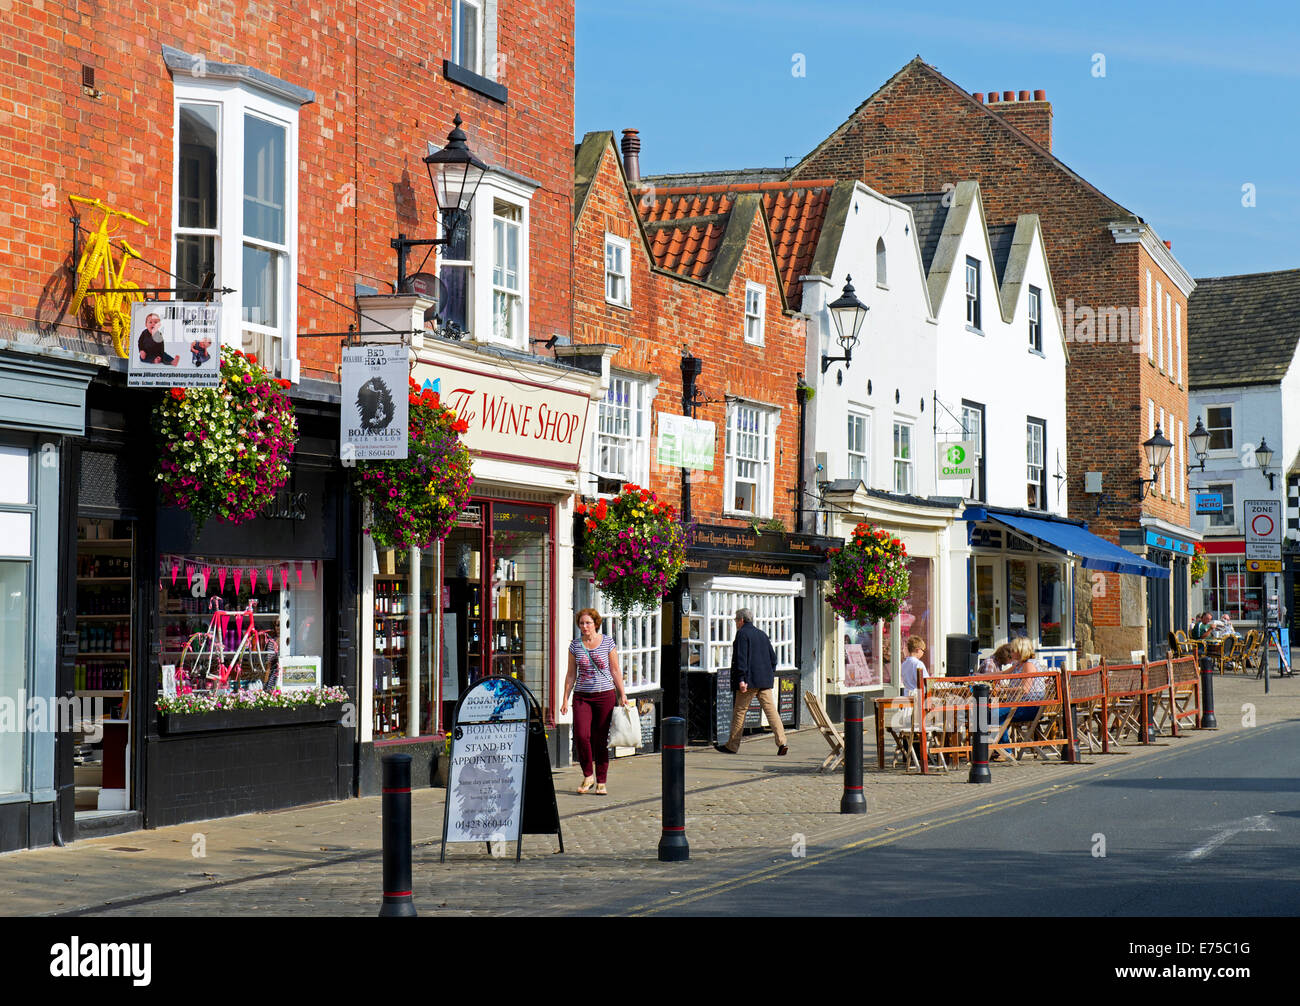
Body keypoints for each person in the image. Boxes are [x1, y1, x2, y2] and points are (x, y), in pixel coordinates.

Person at [560, 608, 626, 795]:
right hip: (582, 696)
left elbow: (615, 670)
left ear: (596, 624)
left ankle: (601, 780)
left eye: (588, 623)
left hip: (605, 695)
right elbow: (571, 674)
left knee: (600, 739)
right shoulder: (575, 646)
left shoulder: (607, 642)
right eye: (581, 623)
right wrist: (565, 698)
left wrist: (622, 694)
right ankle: (588, 775)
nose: (585, 626)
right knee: (581, 736)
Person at [717, 608, 787, 756]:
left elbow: (741, 658)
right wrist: (768, 673)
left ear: (742, 620)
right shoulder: (762, 634)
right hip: (765, 680)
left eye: (736, 620)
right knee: (771, 712)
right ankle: (782, 743)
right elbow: (773, 658)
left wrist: (742, 679)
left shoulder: (742, 633)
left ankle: (732, 746)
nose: (736, 622)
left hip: (748, 681)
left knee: (740, 712)